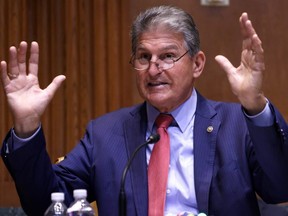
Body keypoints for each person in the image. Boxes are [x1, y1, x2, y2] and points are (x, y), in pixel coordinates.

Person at [1, 5, 288, 216]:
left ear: (197, 64)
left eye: (167, 56)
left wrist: (255, 104)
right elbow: (47, 202)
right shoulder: (106, 134)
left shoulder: (237, 124)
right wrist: (26, 127)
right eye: (143, 57)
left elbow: (280, 187)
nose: (153, 69)